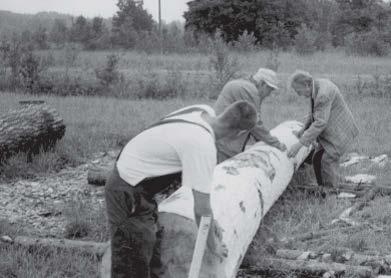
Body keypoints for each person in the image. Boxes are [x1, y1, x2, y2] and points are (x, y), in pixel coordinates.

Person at [105, 101, 258, 278]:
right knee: (131, 263)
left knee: (153, 254)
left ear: (225, 112)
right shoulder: (202, 144)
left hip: (140, 183)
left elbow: (196, 192)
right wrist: (213, 245)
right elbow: (201, 210)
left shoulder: (201, 110)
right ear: (240, 133)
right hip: (128, 188)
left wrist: (212, 219)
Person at [287, 70, 359, 188]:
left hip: (340, 132)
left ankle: (331, 193)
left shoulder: (322, 94)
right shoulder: (316, 87)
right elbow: (314, 113)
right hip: (332, 131)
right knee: (317, 158)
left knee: (327, 160)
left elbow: (320, 123)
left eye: (298, 91)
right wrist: (302, 130)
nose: (298, 94)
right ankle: (323, 188)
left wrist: (299, 144)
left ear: (306, 85)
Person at [214, 67, 287, 163]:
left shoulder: (244, 86)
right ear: (262, 83)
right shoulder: (249, 90)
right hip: (224, 144)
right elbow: (255, 124)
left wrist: (259, 140)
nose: (269, 94)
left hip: (221, 139)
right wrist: (276, 144)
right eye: (270, 89)